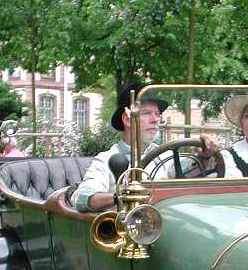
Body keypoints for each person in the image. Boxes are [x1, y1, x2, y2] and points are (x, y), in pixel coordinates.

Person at [71, 83, 217, 212]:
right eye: (147, 113)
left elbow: (188, 175)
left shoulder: (164, 155)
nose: (155, 120)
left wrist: (204, 155)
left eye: (157, 114)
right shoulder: (106, 160)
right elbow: (82, 198)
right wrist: (122, 196)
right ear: (127, 119)